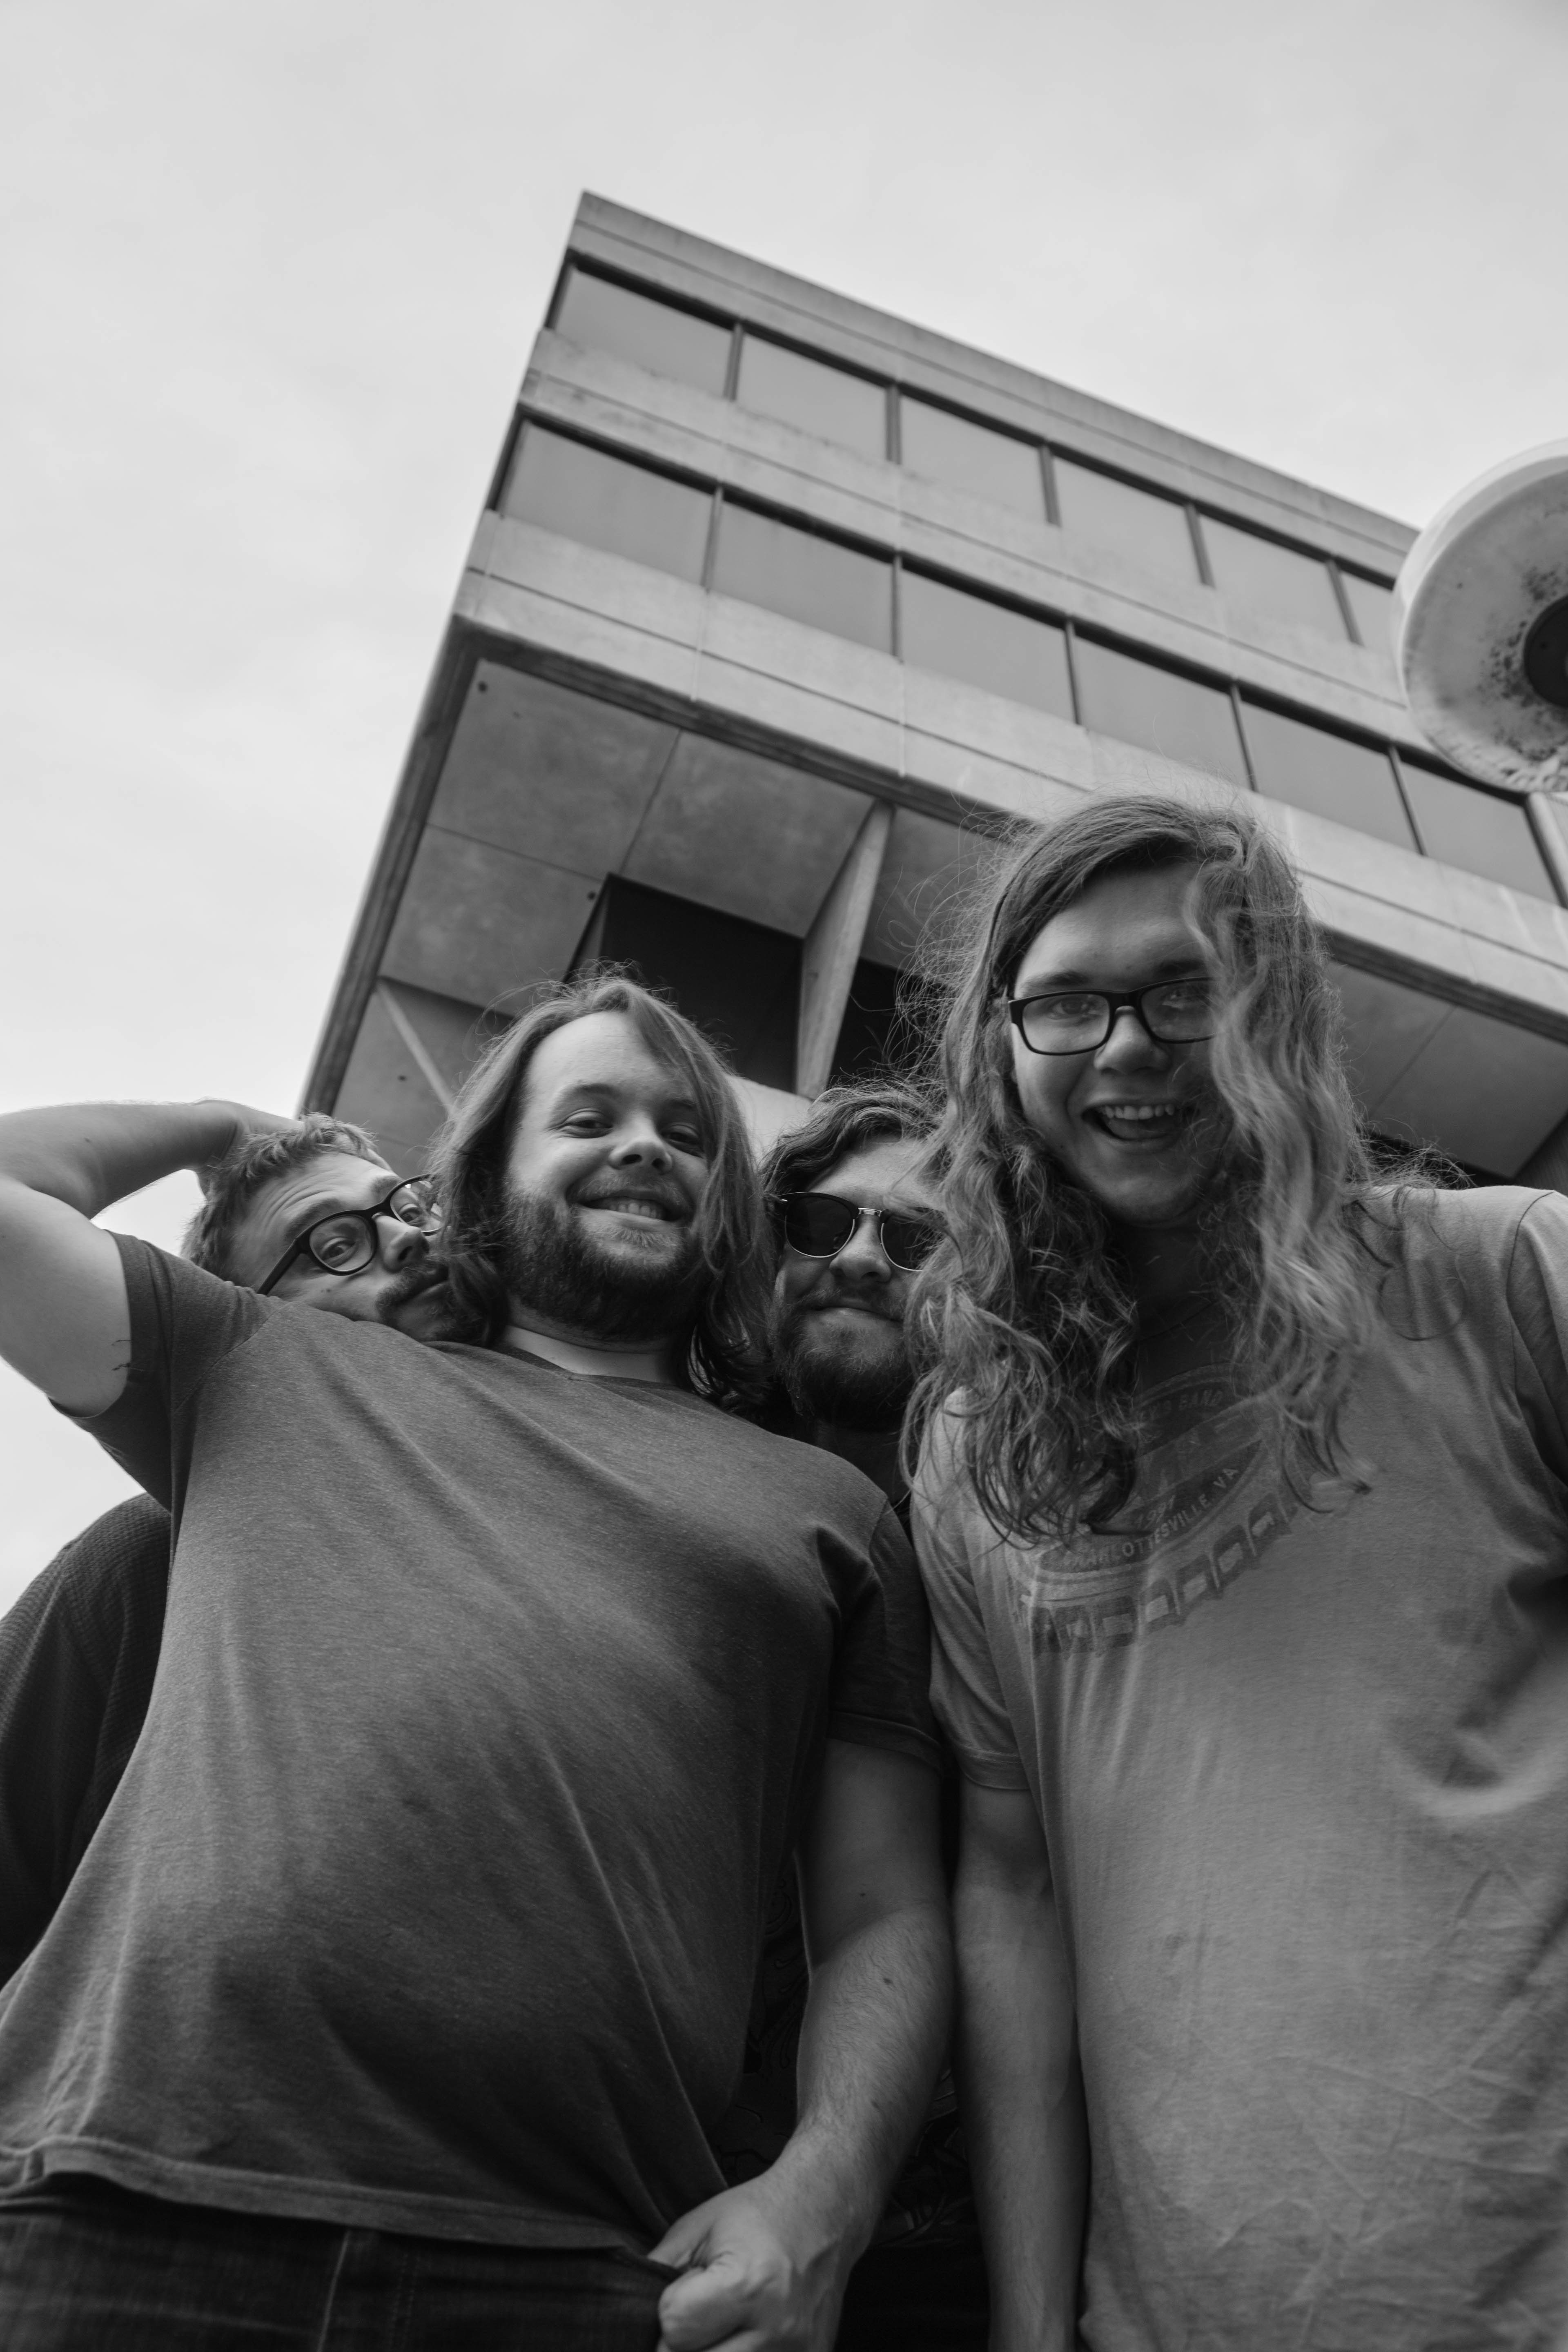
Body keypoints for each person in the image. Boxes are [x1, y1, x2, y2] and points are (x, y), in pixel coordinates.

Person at [0, 975, 949, 2352]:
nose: (645, 1146)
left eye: (687, 1132)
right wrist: (223, 1126)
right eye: (589, 1118)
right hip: (121, 2206)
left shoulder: (836, 1513)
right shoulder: (258, 1363)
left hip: (582, 2263)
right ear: (484, 1180)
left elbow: (881, 1910)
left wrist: (828, 2196)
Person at [907, 791, 1568, 2352]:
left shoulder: (1507, 1276)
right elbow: (1012, 1893)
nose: (1128, 1046)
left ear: (1281, 1015)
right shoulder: (969, 1452)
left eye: (1186, 989)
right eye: (1067, 1003)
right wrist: (1030, 2329)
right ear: (1003, 1051)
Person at [0, 1115, 465, 1984]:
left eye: (409, 1206)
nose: (406, 1239)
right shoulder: (147, 1564)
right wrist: (221, 1122)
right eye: (335, 1245)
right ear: (251, 1321)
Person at [722, 1083, 989, 2352]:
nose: (864, 1259)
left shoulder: (1046, 1557)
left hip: (945, 2229)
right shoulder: (658, 1485)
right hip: (648, 2186)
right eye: (823, 1223)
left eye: (917, 1237)